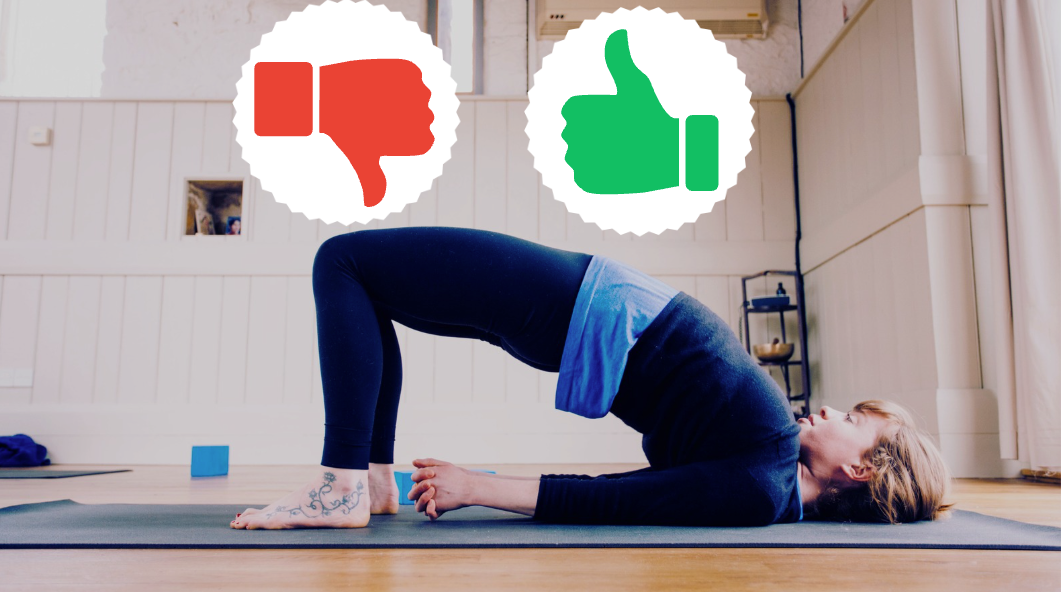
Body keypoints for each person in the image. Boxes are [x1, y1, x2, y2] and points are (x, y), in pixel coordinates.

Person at [230, 226, 953, 530]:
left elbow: (619, 501)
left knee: (345, 262)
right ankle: (369, 480)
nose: (828, 411)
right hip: (589, 312)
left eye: (853, 421)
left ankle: (342, 484)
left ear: (860, 470)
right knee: (371, 282)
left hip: (580, 308)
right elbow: (644, 493)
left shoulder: (759, 481)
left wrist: (477, 488)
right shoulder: (761, 469)